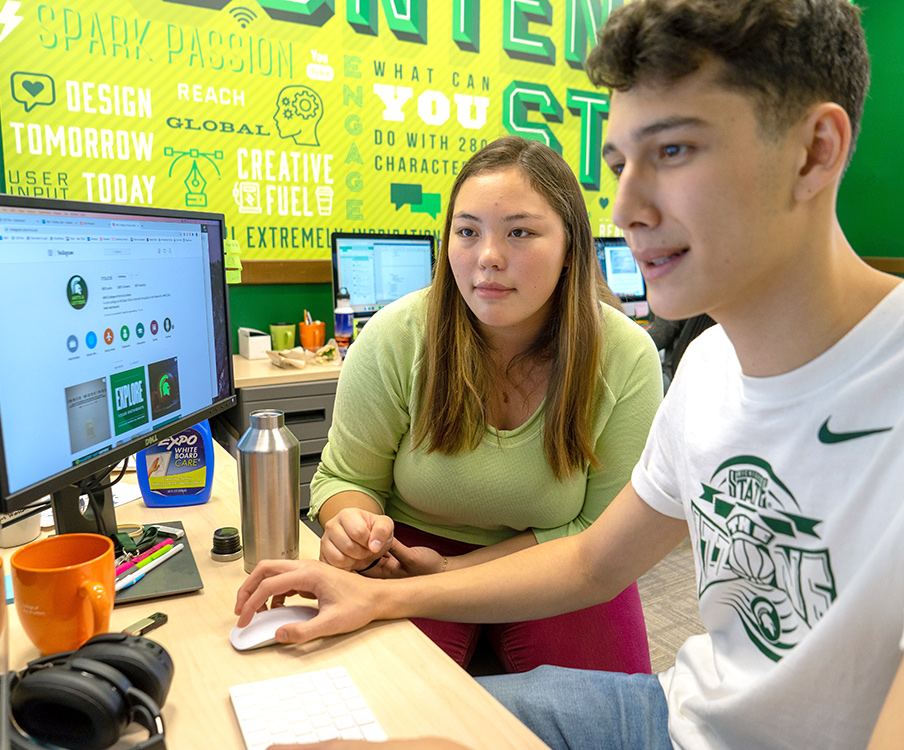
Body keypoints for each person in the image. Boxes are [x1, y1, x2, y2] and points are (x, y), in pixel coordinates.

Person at [236, 0, 904, 747]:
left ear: (814, 152)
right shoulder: (711, 366)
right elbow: (591, 561)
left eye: (675, 151)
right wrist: (375, 597)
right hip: (672, 716)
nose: (626, 207)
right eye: (619, 165)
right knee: (362, 729)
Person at [308, 134, 663, 674]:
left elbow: (601, 536)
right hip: (406, 553)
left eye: (519, 232)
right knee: (389, 708)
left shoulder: (625, 357)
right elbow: (343, 477)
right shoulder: (395, 337)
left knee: (602, 715)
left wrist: (453, 571)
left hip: (560, 556)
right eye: (467, 231)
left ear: (571, 248)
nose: (488, 257)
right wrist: (352, 526)